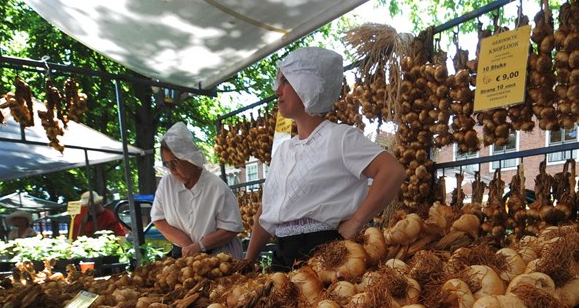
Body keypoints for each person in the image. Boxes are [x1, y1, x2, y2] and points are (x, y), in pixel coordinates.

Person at [244, 47, 406, 272]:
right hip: (281, 257)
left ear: (307, 85)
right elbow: (266, 211)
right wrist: (248, 261)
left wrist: (356, 222)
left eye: (285, 81)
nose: (277, 90)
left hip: (327, 255)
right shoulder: (283, 151)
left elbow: (392, 171)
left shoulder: (340, 137)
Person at [151, 122, 244, 258]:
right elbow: (158, 219)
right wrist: (186, 244)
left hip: (219, 256)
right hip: (183, 253)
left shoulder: (216, 186)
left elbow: (231, 228)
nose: (172, 170)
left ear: (189, 158)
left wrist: (200, 245)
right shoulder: (166, 184)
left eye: (174, 162)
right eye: (167, 164)